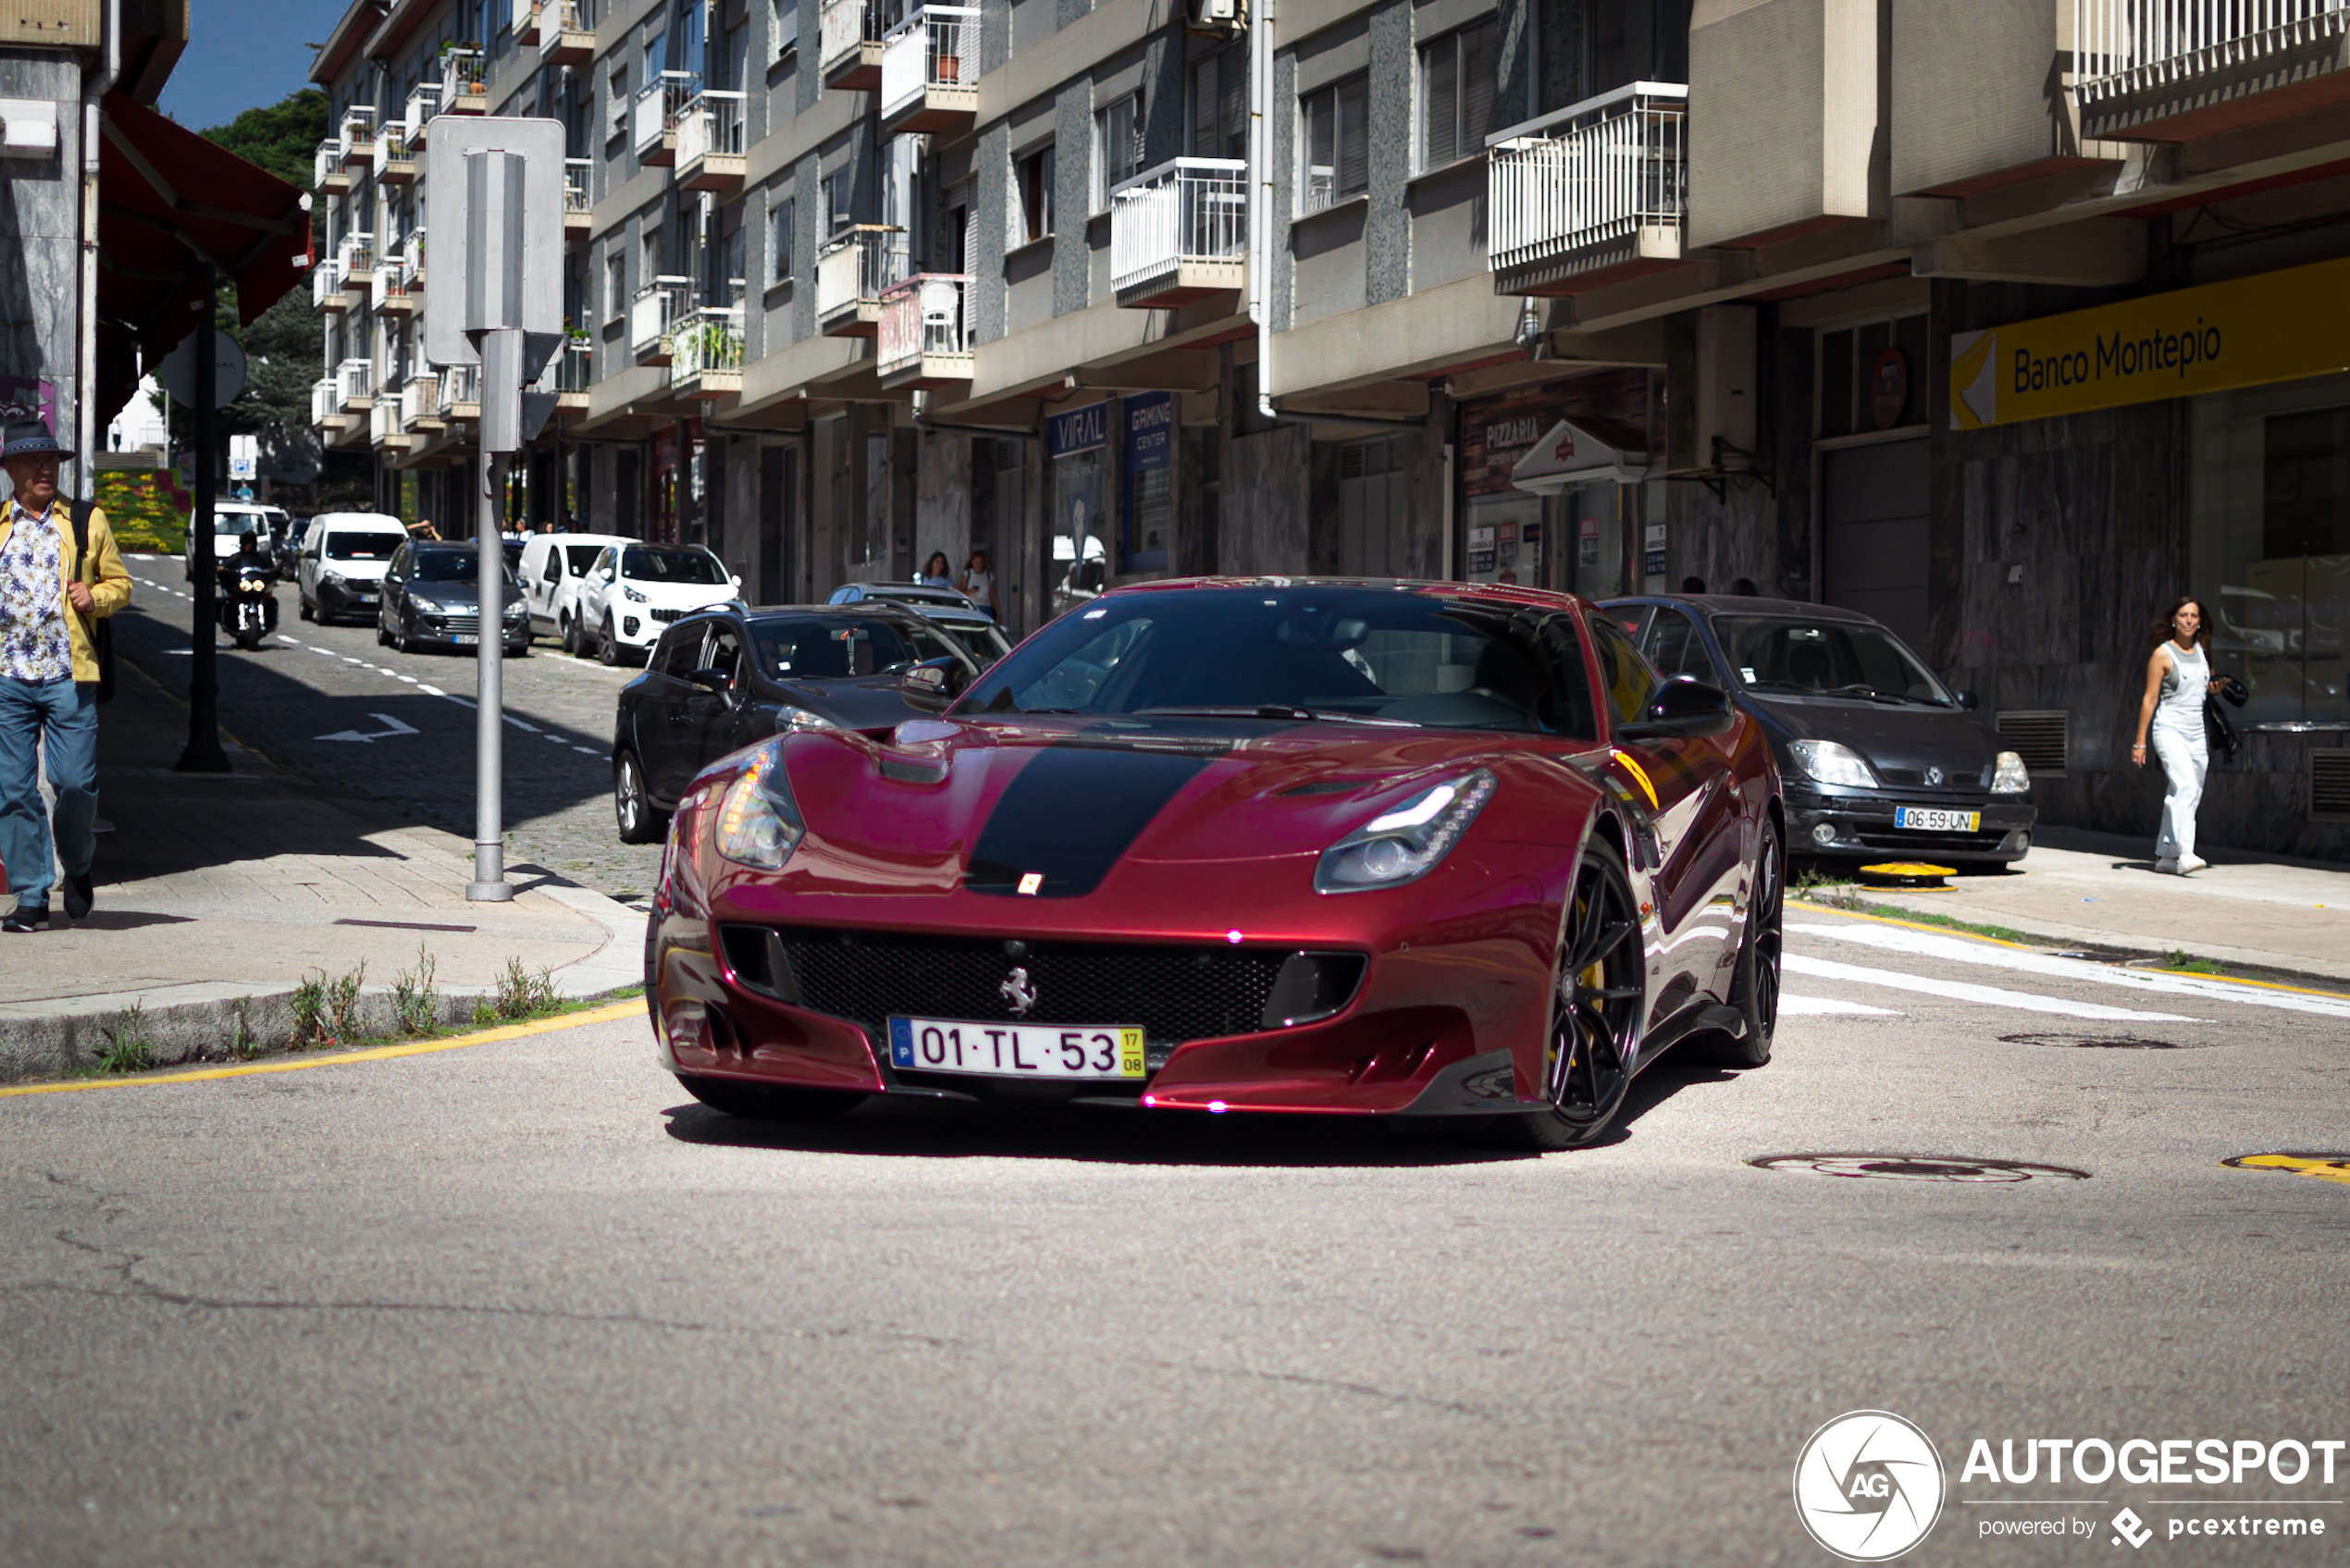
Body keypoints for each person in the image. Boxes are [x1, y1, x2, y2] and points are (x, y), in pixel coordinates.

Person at [0, 415, 130, 932]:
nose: (44, 469)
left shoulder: (84, 520)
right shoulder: (0, 526)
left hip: (68, 675)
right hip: (8, 677)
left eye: (50, 460)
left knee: (74, 783)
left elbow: (120, 583)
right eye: (33, 460)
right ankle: (32, 895)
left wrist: (94, 596)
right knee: (12, 790)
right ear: (10, 468)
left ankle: (76, 865)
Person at [2132, 596, 2220, 875]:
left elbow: (2206, 684)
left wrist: (2215, 688)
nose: (2189, 620)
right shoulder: (2162, 654)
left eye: (2194, 616)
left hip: (2196, 731)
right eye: (2183, 615)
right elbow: (2150, 698)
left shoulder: (2202, 649)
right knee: (2185, 788)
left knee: (2186, 793)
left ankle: (2167, 855)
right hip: (2169, 728)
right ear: (2173, 619)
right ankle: (2185, 852)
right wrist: (2140, 742)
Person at [959, 549, 996, 621]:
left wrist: (998, 612)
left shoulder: (988, 575)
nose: (978, 565)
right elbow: (960, 593)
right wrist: (969, 591)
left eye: (981, 562)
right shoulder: (967, 574)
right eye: (976, 562)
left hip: (985, 607)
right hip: (971, 606)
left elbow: (993, 595)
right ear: (972, 563)